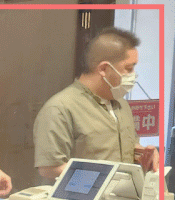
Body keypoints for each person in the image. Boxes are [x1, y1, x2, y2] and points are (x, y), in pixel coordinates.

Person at [34, 27, 159, 180]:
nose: (133, 75)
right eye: (128, 68)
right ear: (104, 69)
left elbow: (124, 148)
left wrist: (142, 154)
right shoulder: (60, 108)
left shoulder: (121, 104)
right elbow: (49, 169)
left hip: (123, 192)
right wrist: (105, 177)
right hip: (83, 194)